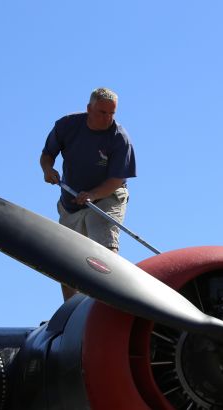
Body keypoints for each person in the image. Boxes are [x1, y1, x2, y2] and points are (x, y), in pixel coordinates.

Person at [40, 88, 136, 301]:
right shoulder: (67, 126)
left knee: (103, 251)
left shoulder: (119, 138)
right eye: (102, 112)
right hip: (71, 201)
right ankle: (70, 310)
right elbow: (47, 155)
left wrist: (93, 194)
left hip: (106, 197)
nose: (108, 118)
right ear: (89, 109)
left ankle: (107, 305)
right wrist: (48, 170)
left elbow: (117, 180)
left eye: (112, 113)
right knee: (65, 259)